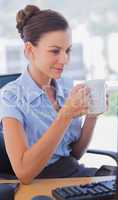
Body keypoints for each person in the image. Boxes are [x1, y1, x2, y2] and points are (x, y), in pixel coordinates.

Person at [0, 5, 106, 184]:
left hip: (73, 174)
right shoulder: (10, 97)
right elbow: (24, 173)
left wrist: (92, 116)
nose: (65, 59)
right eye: (55, 51)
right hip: (41, 182)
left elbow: (75, 154)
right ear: (30, 50)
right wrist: (66, 115)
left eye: (68, 50)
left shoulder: (65, 86)